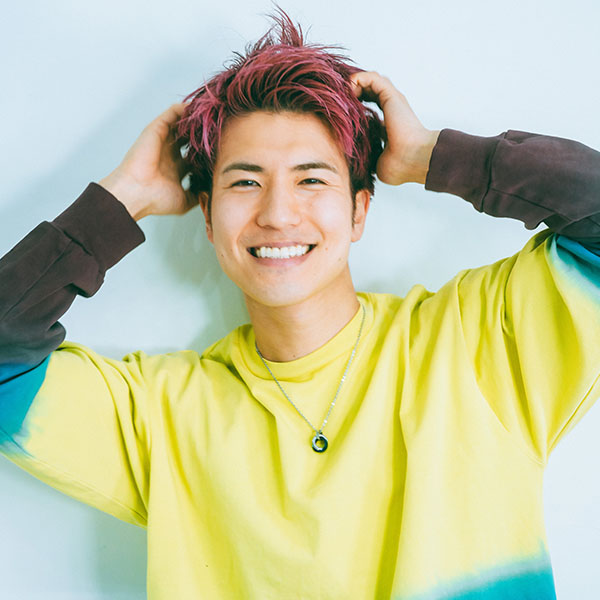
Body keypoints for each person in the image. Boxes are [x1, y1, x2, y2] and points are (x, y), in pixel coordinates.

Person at [1, 8, 599, 600]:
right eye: (245, 182)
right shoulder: (161, 416)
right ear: (207, 217)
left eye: (311, 179)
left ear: (359, 209)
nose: (278, 213)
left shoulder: (480, 342)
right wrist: (120, 201)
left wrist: (431, 156)